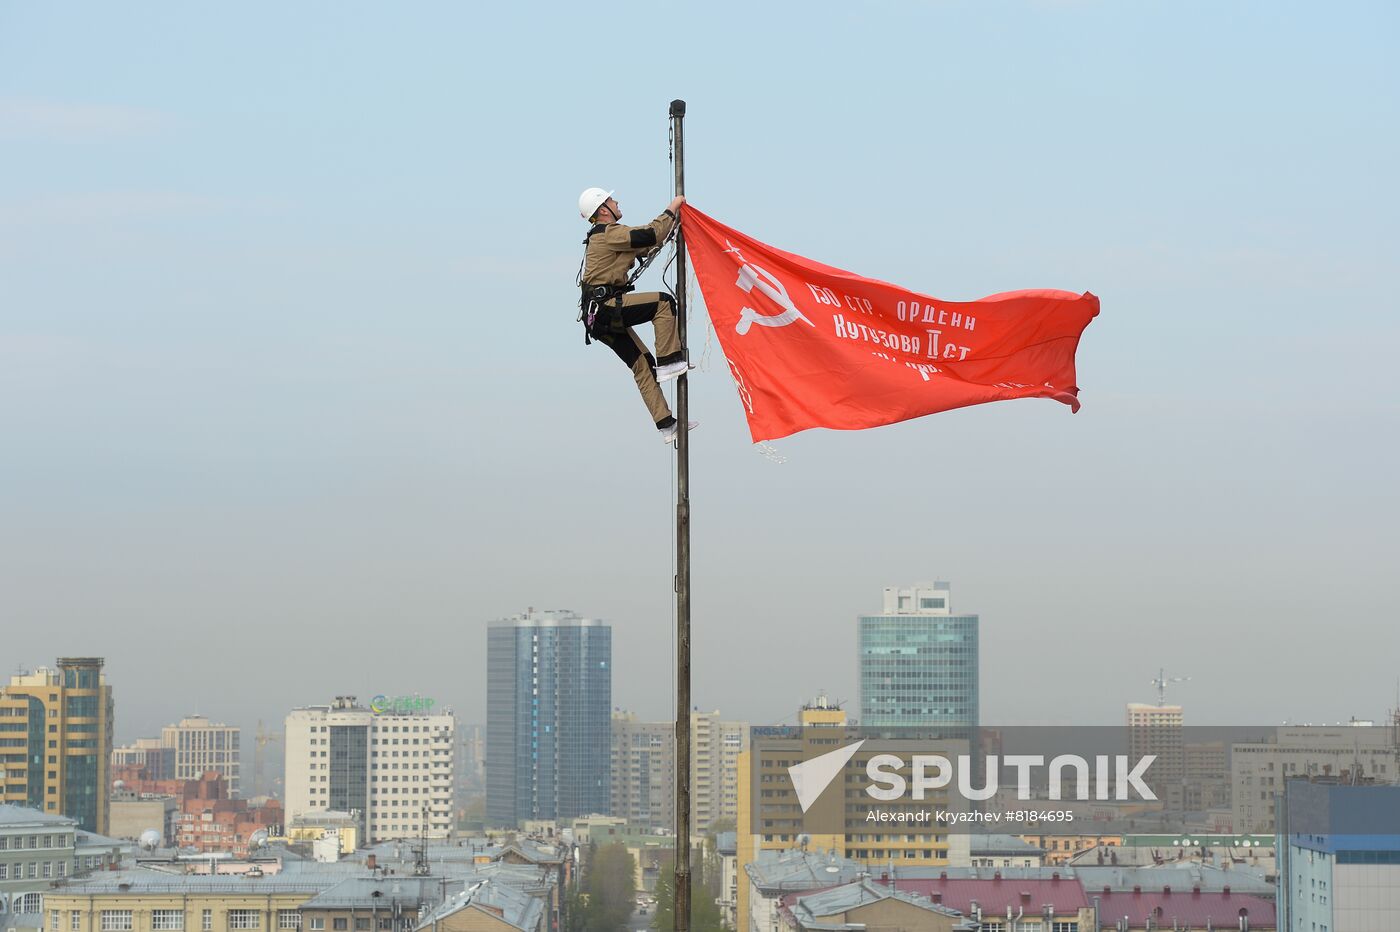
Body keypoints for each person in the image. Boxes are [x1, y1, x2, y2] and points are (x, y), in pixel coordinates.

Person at [577, 186, 697, 444]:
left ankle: (666, 424)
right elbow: (650, 233)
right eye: (611, 200)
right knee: (663, 303)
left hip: (597, 319)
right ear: (603, 209)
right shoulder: (609, 233)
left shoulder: (606, 237)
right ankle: (669, 361)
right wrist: (672, 207)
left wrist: (672, 228)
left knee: (642, 365)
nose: (616, 201)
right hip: (606, 307)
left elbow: (647, 244)